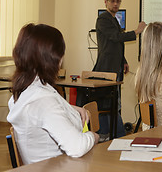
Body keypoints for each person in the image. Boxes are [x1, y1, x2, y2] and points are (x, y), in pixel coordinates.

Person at [7, 23, 99, 165]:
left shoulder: (24, 92)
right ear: (53, 58)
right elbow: (77, 147)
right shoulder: (44, 102)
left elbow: (41, 110)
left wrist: (71, 108)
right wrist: (93, 136)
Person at [77, 0, 146, 139]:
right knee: (108, 102)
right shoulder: (103, 19)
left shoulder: (114, 19)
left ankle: (112, 133)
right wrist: (137, 31)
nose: (115, 4)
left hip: (116, 67)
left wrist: (124, 61)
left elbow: (116, 44)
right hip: (106, 68)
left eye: (118, 1)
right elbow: (116, 37)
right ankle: (110, 133)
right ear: (105, 2)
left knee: (113, 102)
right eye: (112, 1)